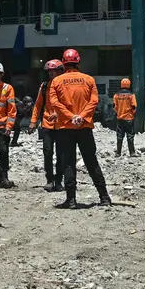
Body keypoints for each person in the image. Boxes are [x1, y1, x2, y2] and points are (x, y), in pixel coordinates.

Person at [49, 48, 111, 209]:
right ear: (78, 62)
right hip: (84, 127)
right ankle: (104, 197)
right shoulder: (89, 80)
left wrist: (70, 117)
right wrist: (81, 116)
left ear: (64, 64)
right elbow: (94, 101)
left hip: (65, 128)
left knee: (68, 163)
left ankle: (71, 200)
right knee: (91, 161)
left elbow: (55, 103)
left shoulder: (56, 81)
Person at [30, 59, 64, 192]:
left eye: (54, 71)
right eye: (49, 71)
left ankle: (59, 180)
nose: (51, 73)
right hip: (47, 124)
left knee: (61, 154)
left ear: (60, 71)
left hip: (62, 125)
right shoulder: (44, 86)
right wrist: (33, 121)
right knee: (47, 153)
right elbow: (38, 105)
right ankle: (50, 179)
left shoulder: (65, 86)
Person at [112, 78, 137, 156]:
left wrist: (119, 112)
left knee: (119, 136)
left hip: (120, 119)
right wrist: (132, 113)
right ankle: (132, 152)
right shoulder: (131, 95)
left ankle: (118, 153)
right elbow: (134, 106)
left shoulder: (116, 95)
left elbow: (114, 107)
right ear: (129, 84)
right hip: (129, 118)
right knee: (130, 136)